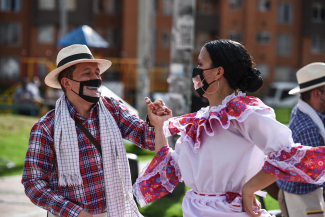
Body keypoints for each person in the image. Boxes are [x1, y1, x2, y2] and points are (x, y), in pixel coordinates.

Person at [133, 40, 325, 217]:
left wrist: (250, 188)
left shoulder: (243, 112)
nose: (196, 70)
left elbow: (286, 153)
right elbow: (170, 168)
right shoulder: (200, 119)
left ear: (218, 72)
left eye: (201, 64)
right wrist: (159, 126)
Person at [21, 44, 169, 217]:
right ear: (67, 83)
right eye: (87, 73)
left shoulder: (113, 109)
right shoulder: (46, 127)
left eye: (97, 73)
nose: (96, 79)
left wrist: (156, 124)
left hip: (116, 212)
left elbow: (148, 140)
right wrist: (75, 212)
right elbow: (33, 183)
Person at [276, 62, 325, 217]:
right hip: (303, 197)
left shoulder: (304, 109)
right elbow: (318, 172)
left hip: (303, 191)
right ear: (318, 94)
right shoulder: (309, 129)